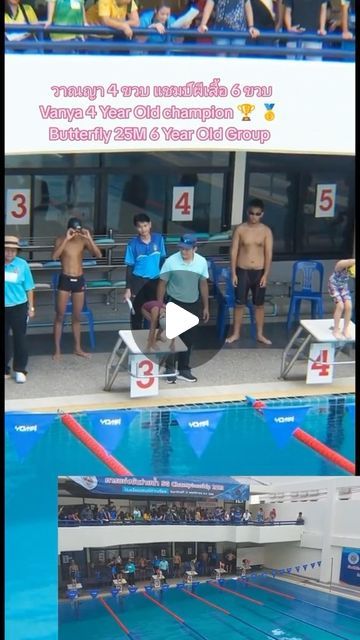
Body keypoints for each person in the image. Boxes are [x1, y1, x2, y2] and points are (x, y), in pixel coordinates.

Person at [158, 234, 209, 384]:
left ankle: (184, 368)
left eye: (187, 250)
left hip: (193, 303)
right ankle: (169, 368)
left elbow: (203, 284)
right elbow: (162, 284)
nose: (183, 252)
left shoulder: (201, 262)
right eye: (181, 249)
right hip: (174, 302)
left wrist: (206, 306)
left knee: (189, 338)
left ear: (195, 249)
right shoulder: (170, 262)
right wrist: (160, 305)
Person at [51, 216, 102, 360]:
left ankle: (77, 348)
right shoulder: (60, 239)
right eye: (74, 230)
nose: (76, 232)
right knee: (60, 316)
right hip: (65, 279)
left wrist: (89, 238)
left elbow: (98, 254)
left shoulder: (83, 240)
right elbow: (54, 257)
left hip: (79, 279)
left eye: (78, 230)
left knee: (77, 316)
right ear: (69, 229)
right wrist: (67, 239)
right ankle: (57, 349)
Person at [226, 198, 273, 345]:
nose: (254, 216)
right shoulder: (240, 229)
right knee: (239, 304)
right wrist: (233, 273)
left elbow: (268, 254)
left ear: (262, 214)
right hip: (243, 271)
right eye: (252, 213)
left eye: (257, 214)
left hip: (259, 272)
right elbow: (233, 252)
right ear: (248, 213)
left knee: (259, 305)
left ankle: (260, 334)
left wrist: (266, 275)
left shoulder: (266, 231)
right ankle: (236, 333)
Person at [124, 213, 166, 330]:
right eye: (140, 226)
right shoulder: (132, 244)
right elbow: (129, 267)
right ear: (136, 228)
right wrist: (128, 288)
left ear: (150, 225)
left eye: (145, 225)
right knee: (137, 314)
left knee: (156, 312)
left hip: (155, 281)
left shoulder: (159, 239)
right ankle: (137, 342)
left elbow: (162, 260)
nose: (143, 229)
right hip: (138, 282)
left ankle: (155, 341)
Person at [5, 236, 35, 384]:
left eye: (13, 250)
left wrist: (31, 307)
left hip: (18, 306)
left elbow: (29, 287)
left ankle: (20, 369)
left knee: (20, 338)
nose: (10, 253)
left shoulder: (22, 264)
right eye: (7, 250)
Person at [328, 259, 355, 339]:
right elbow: (349, 262)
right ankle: (336, 330)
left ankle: (345, 329)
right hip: (333, 285)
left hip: (343, 286)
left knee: (349, 306)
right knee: (340, 306)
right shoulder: (340, 264)